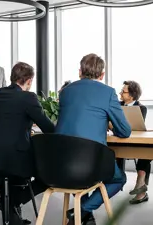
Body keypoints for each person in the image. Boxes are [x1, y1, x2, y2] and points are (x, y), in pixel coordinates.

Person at [0, 62, 55, 225]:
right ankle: (11, 202)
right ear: (29, 80)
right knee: (48, 175)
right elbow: (48, 128)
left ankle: (11, 210)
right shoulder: (28, 97)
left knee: (10, 167)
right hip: (14, 162)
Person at [56, 53, 131, 225]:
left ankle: (83, 215)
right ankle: (82, 211)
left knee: (82, 176)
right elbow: (125, 131)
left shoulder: (66, 92)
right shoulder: (108, 93)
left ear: (80, 71)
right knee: (119, 179)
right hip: (90, 162)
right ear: (102, 75)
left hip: (61, 162)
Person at [117, 80, 148, 204]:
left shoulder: (141, 108)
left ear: (131, 95)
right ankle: (116, 181)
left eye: (123, 91)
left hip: (134, 141)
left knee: (146, 153)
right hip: (118, 139)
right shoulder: (117, 105)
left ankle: (141, 188)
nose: (120, 93)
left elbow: (138, 127)